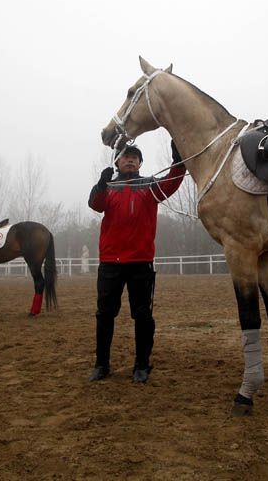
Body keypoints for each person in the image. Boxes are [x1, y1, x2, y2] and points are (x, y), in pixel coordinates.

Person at [87, 141, 185, 383]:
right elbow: (95, 204)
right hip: (110, 262)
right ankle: (101, 365)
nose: (130, 159)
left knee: (143, 316)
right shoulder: (109, 187)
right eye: (126, 156)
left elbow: (171, 183)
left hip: (141, 262)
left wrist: (178, 161)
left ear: (140, 163)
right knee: (104, 315)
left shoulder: (150, 186)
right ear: (117, 162)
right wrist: (100, 184)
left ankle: (142, 365)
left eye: (135, 157)